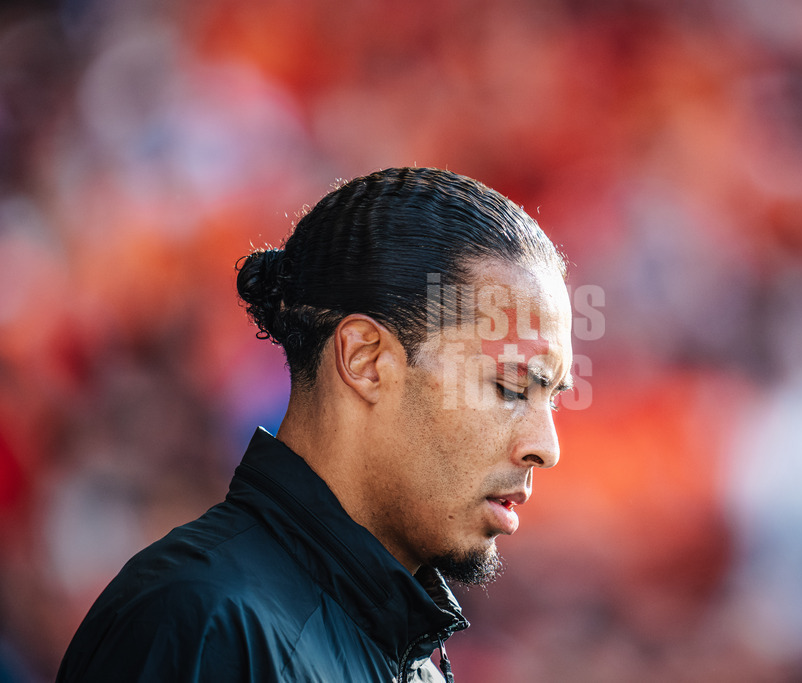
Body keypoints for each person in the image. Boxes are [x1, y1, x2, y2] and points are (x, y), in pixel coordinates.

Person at [56, 167, 574, 682]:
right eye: (509, 387)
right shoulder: (200, 624)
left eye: (551, 398)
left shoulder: (413, 659)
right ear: (366, 360)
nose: (546, 448)